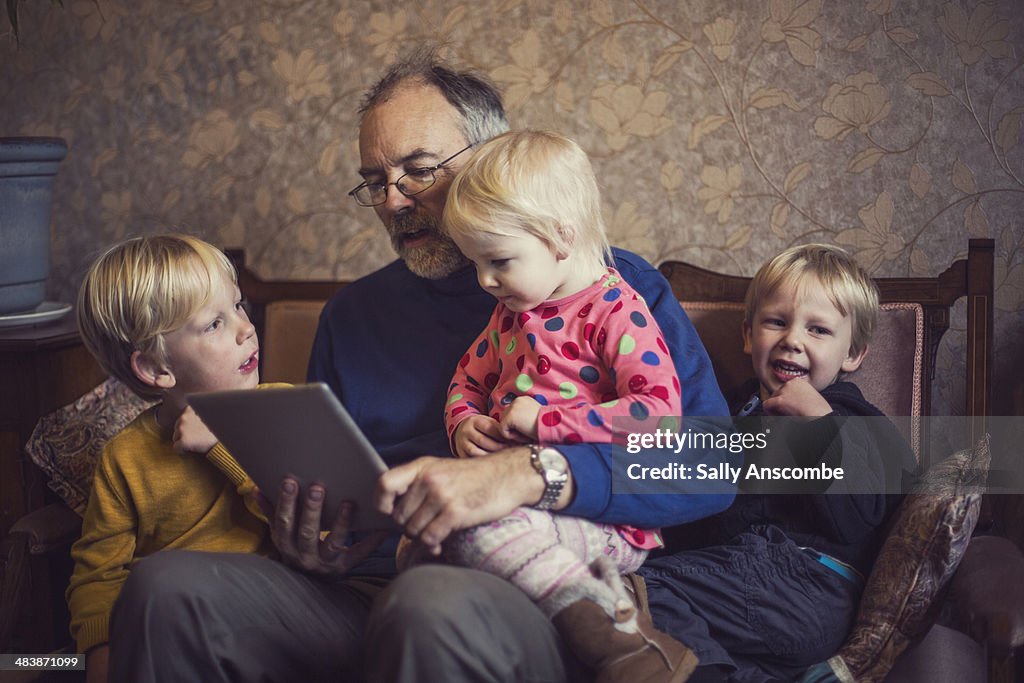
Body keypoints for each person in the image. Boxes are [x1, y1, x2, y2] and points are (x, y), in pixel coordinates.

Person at [105, 50, 733, 683]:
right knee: (164, 589)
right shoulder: (351, 317)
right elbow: (337, 496)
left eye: (419, 171)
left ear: (489, 158)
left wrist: (533, 472)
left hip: (529, 578)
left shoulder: (606, 286)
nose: (394, 200)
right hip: (365, 588)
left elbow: (718, 462)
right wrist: (313, 544)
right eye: (375, 182)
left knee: (427, 604)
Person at [426, 129, 697, 682]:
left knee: (470, 533)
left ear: (559, 237)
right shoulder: (510, 315)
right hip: (522, 508)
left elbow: (660, 417)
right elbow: (466, 381)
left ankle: (622, 643)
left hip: (606, 522)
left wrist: (550, 423)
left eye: (498, 260)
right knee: (422, 544)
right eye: (476, 262)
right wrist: (463, 424)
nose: (484, 280)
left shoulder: (618, 310)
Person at [637, 244, 917, 681]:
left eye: (819, 330)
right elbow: (694, 505)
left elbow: (861, 516)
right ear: (749, 335)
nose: (793, 340)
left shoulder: (851, 418)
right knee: (628, 590)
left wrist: (817, 423)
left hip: (808, 581)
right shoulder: (724, 413)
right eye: (776, 322)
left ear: (853, 354)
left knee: (635, 593)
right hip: (737, 588)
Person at [69, 234, 278, 683]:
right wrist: (100, 659)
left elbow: (307, 524)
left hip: (262, 626)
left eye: (239, 306)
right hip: (161, 637)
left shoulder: (286, 410)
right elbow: (98, 577)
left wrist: (222, 445)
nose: (247, 327)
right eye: (214, 324)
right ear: (157, 369)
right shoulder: (125, 456)